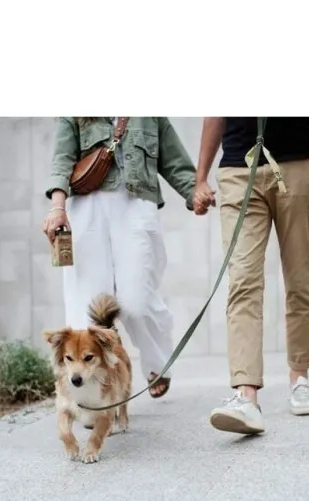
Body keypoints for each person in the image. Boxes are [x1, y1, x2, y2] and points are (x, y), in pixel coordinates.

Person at [44, 117, 203, 399]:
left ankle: (156, 362)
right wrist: (57, 207)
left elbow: (174, 161)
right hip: (87, 208)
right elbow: (62, 159)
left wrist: (195, 193)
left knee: (136, 302)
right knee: (86, 306)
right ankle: (92, 396)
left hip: (137, 207)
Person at [193, 117, 309, 434]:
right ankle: (246, 396)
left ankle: (300, 378)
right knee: (242, 282)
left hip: (299, 162)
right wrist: (200, 178)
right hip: (239, 168)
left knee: (300, 279)